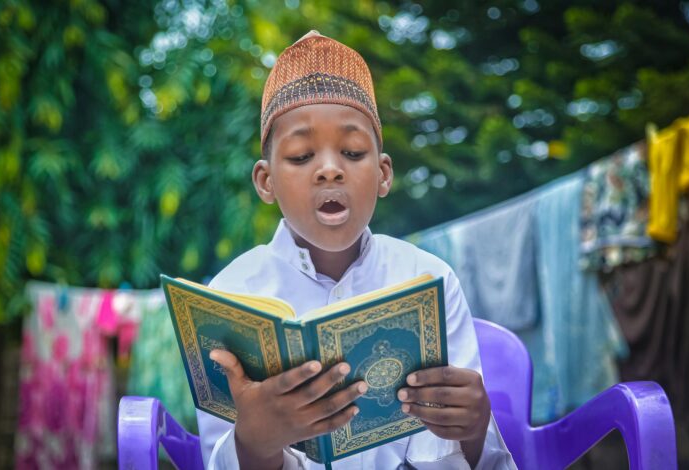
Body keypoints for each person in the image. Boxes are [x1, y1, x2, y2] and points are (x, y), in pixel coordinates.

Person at [198, 30, 516, 469]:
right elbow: (217, 455)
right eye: (301, 156)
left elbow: (473, 459)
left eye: (351, 151)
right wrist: (254, 443)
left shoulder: (431, 279)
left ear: (383, 174)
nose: (330, 170)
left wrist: (476, 430)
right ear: (266, 181)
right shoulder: (230, 296)